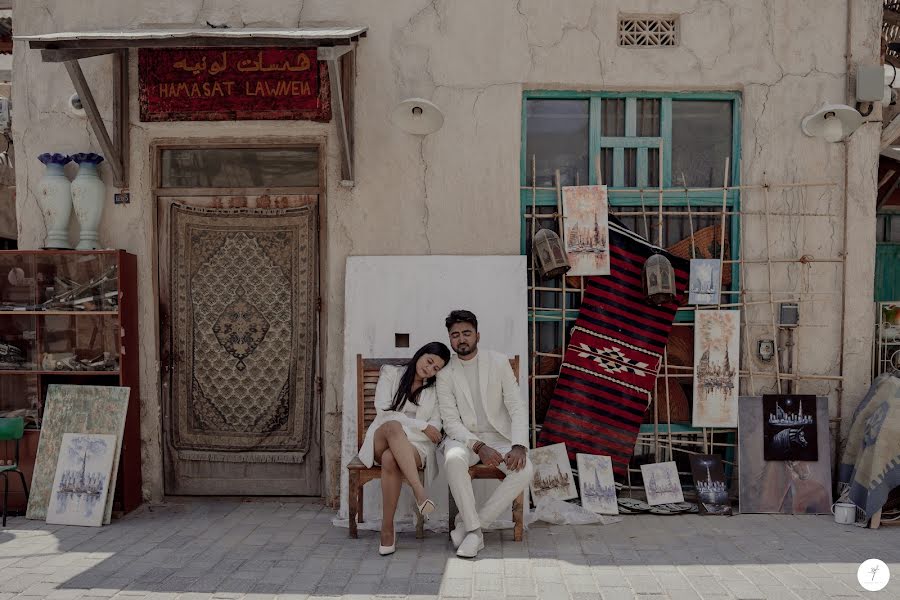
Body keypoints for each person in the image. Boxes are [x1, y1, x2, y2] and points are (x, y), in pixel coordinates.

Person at [437, 310, 533, 558]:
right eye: (455, 335)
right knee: (453, 459)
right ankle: (475, 532)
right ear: (450, 339)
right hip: (464, 439)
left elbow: (517, 406)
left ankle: (474, 527)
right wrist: (478, 446)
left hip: (500, 438)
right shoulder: (445, 374)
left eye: (466, 333)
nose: (461, 339)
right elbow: (450, 422)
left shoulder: (499, 363)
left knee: (526, 469)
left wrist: (519, 445)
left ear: (477, 335)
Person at [356, 341, 451, 556]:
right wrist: (421, 426)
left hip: (416, 447)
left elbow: (436, 427)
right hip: (383, 437)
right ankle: (420, 492)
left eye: (436, 368)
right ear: (420, 354)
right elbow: (383, 412)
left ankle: (387, 527)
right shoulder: (391, 374)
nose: (429, 369)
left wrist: (426, 428)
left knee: (391, 458)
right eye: (429, 361)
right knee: (392, 426)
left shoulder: (435, 391)